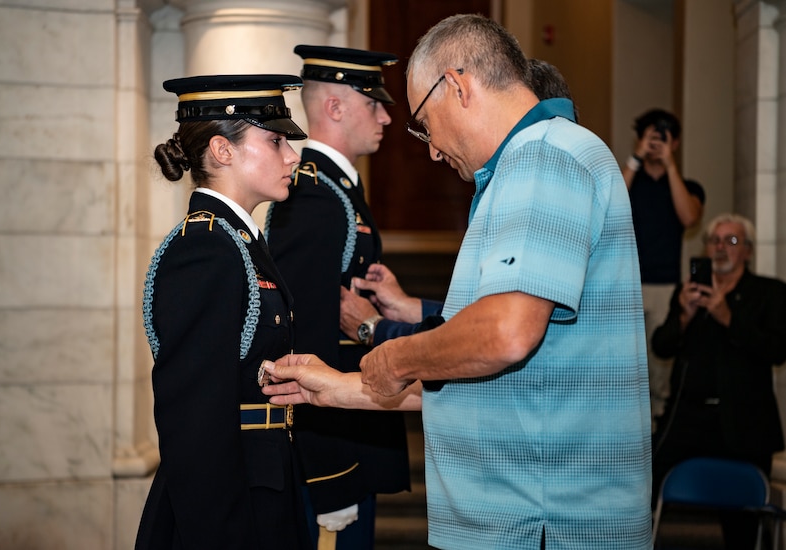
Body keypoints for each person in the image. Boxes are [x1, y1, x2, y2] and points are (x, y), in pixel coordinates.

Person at [265, 14, 652, 549]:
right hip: (526, 516)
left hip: (540, 521)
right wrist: (337, 389)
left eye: (423, 122)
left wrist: (392, 356)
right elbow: (491, 379)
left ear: (457, 85)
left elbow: (504, 335)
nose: (428, 147)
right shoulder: (526, 166)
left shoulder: (542, 156)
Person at [135, 74, 312, 549]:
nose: (293, 156)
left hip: (266, 490)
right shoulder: (207, 249)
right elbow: (194, 422)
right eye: (275, 141)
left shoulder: (238, 242)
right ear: (222, 150)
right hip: (229, 513)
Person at [263, 45, 410, 550]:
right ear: (335, 107)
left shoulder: (337, 190)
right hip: (334, 451)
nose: (387, 116)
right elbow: (303, 340)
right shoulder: (314, 197)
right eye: (374, 104)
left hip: (354, 433)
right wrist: (331, 475)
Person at [340, 57, 578, 347]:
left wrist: (376, 330)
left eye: (428, 122)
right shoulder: (538, 161)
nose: (434, 153)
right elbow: (479, 317)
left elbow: (499, 335)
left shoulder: (540, 162)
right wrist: (410, 307)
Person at [651, 213, 786, 548]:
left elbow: (776, 350)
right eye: (715, 241)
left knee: (743, 520)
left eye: (733, 241)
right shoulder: (688, 292)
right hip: (687, 420)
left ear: (749, 252)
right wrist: (684, 315)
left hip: (744, 424)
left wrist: (728, 317)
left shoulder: (769, 293)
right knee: (641, 482)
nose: (721, 248)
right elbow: (661, 346)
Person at [623, 108, 705, 426]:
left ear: (676, 142)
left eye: (664, 136)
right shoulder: (629, 181)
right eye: (651, 135)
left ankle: (661, 432)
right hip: (628, 285)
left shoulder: (688, 187)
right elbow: (608, 203)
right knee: (629, 366)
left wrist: (670, 165)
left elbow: (690, 218)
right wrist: (636, 157)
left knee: (661, 370)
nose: (657, 142)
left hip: (666, 287)